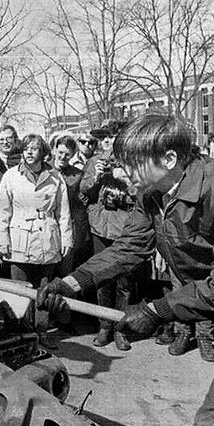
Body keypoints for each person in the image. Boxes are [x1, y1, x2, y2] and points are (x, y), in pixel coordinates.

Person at [37, 114, 214, 426]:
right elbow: (128, 248)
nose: (122, 175)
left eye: (131, 165)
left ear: (169, 159)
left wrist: (155, 310)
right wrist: (69, 283)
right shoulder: (152, 194)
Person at [0, 134, 72, 342]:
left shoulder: (55, 177)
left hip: (47, 239)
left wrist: (66, 239)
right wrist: (2, 241)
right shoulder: (11, 176)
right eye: (26, 148)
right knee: (20, 291)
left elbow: (63, 211)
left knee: (44, 290)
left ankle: (41, 333)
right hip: (19, 240)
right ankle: (22, 334)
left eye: (35, 148)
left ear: (43, 152)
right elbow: (3, 211)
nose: (29, 152)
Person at [79, 119, 136, 350]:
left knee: (124, 281)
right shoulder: (94, 162)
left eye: (112, 137)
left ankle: (121, 329)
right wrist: (96, 177)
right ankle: (104, 327)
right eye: (103, 138)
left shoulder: (134, 162)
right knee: (102, 278)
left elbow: (142, 194)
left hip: (125, 229)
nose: (107, 142)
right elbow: (84, 193)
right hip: (101, 227)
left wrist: (126, 181)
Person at [52, 135, 90, 276]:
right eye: (60, 152)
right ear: (54, 150)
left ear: (73, 155)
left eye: (67, 154)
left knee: (65, 271)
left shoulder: (77, 175)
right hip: (47, 227)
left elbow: (82, 202)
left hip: (68, 228)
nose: (62, 157)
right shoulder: (44, 171)